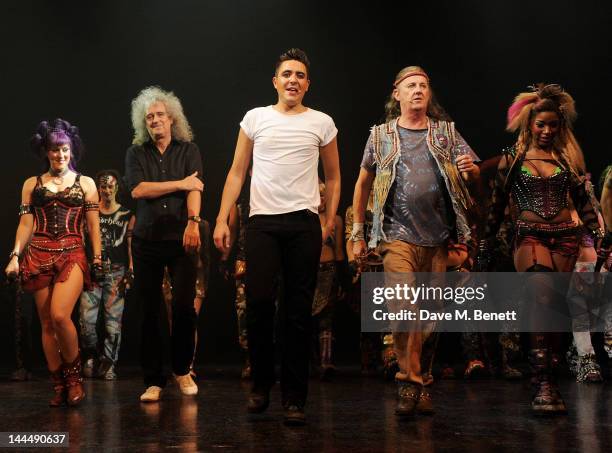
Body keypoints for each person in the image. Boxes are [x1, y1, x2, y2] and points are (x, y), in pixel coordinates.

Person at [214, 48, 340, 425]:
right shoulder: (256, 118)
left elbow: (333, 176)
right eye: (287, 74)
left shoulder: (321, 122)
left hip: (303, 225)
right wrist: (222, 219)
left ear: (307, 83)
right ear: (275, 81)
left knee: (298, 313)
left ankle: (295, 398)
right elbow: (237, 172)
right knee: (259, 304)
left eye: (300, 75)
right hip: (263, 223)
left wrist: (329, 219)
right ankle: (261, 384)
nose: (293, 80)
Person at [351, 66, 479, 417]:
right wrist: (357, 233)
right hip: (396, 235)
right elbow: (362, 184)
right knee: (403, 306)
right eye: (411, 85)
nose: (419, 90)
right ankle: (409, 382)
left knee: (431, 313)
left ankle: (419, 378)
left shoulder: (446, 134)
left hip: (437, 238)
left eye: (424, 85)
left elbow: (473, 172)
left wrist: (471, 170)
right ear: (398, 94)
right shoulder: (380, 136)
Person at [481, 84, 604, 414]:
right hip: (529, 237)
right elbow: (495, 206)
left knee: (556, 309)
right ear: (529, 125)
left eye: (553, 124)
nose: (547, 130)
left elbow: (584, 203)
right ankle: (543, 383)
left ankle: (549, 377)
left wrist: (599, 234)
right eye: (540, 124)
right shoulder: (513, 159)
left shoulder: (566, 161)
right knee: (541, 295)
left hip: (566, 237)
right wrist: (484, 241)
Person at [5, 119, 101, 406]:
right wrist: (14, 256)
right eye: (54, 150)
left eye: (65, 150)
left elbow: (94, 226)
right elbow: (25, 225)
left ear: (72, 150)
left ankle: (74, 379)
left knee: (60, 315)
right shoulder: (31, 185)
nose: (60, 155)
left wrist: (97, 257)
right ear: (45, 152)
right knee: (47, 324)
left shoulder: (86, 183)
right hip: (38, 253)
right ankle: (59, 384)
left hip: (72, 251)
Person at [125, 86, 204, 402]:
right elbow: (139, 190)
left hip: (181, 238)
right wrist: (180, 183)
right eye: (149, 117)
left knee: (184, 307)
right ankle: (153, 380)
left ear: (172, 118)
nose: (154, 120)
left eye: (159, 115)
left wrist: (194, 221)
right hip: (146, 240)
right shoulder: (136, 153)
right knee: (149, 311)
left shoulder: (189, 150)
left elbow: (196, 187)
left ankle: (182, 369)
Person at [79, 170, 135, 380]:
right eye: (103, 186)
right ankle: (90, 357)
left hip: (117, 273)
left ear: (117, 188)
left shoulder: (127, 215)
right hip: (92, 272)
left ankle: (109, 362)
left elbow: (130, 245)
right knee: (86, 321)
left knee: (113, 324)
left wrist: (131, 270)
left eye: (110, 186)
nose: (106, 190)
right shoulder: (90, 213)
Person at [312, 181, 344, 380]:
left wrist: (341, 279)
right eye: (318, 195)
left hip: (329, 272)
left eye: (324, 195)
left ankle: (326, 362)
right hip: (308, 272)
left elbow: (339, 252)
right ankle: (309, 362)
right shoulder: (305, 220)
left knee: (327, 318)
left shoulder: (336, 220)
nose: (321, 199)